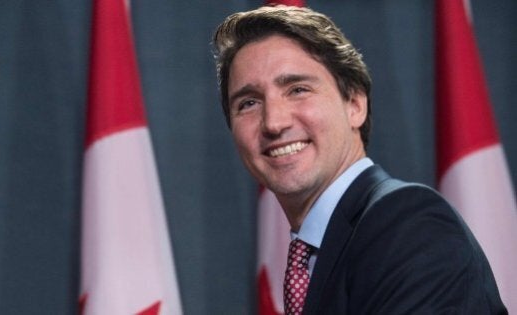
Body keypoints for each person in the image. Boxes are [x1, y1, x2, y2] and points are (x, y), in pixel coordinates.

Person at [212, 5, 506, 314]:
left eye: (298, 89)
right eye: (248, 103)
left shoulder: (408, 224)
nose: (273, 122)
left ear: (354, 105)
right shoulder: (320, 252)